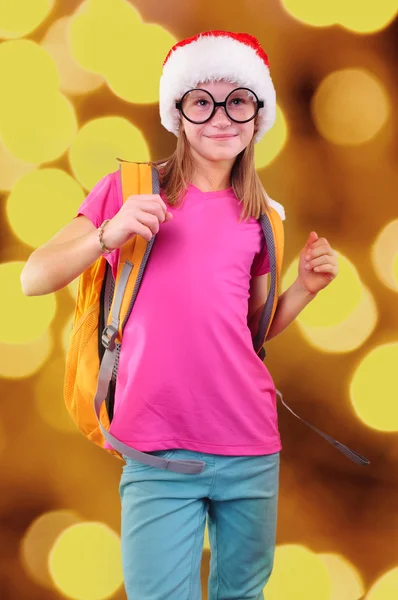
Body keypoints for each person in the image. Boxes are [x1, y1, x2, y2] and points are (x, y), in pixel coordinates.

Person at [21, 30, 338, 600]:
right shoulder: (128, 191)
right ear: (179, 112)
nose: (221, 117)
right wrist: (106, 234)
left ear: (258, 113)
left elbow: (251, 331)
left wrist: (306, 290)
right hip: (156, 452)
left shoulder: (261, 216)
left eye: (237, 100)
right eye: (202, 101)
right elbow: (32, 277)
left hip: (250, 447)